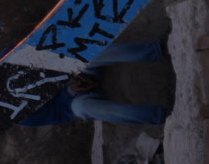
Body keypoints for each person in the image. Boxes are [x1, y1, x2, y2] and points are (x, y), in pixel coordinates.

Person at [18, 41, 170, 127]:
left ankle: (156, 50)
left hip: (72, 70)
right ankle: (161, 115)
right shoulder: (14, 116)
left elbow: (46, 52)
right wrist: (70, 91)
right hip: (73, 101)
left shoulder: (7, 64)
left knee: (82, 56)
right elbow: (58, 113)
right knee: (82, 108)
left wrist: (67, 75)